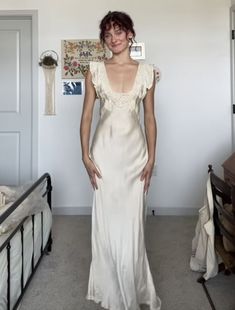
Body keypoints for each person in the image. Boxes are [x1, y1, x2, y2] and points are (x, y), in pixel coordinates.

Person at [80, 11, 161, 310]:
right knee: (107, 225)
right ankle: (110, 287)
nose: (113, 38)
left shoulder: (148, 72)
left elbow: (150, 118)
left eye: (119, 31)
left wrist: (152, 158)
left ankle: (134, 286)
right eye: (108, 34)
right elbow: (87, 115)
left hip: (135, 158)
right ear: (104, 38)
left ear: (130, 34)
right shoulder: (94, 70)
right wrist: (85, 156)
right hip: (104, 155)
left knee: (132, 225)